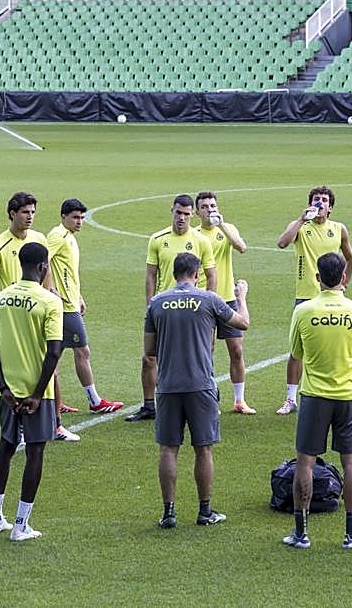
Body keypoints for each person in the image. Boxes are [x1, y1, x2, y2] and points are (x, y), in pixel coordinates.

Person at [143, 252, 249, 528]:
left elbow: (149, 351)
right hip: (201, 384)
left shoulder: (157, 303)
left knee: (168, 449)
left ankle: (169, 513)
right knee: (204, 449)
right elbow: (243, 323)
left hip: (168, 386)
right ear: (197, 274)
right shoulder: (209, 299)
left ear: (174, 273)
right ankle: (205, 511)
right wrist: (241, 297)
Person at [283, 252, 352, 550]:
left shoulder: (303, 311)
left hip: (314, 395)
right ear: (344, 277)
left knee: (305, 462)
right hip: (349, 395)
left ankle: (301, 533)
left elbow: (296, 353)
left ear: (317, 278)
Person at [0, 241, 64, 541]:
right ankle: (20, 524)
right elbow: (54, 351)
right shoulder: (49, 301)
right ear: (43, 267)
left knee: (5, 448)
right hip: (37, 393)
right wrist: (38, 394)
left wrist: (3, 388)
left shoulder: (1, 298)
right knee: (35, 452)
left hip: (9, 391)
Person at [0, 191, 75, 442]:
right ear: (12, 214)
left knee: (52, 369)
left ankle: (56, 424)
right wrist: (4, 310)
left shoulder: (39, 238)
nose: (30, 216)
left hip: (41, 312)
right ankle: (19, 425)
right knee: (19, 373)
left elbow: (47, 269)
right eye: (25, 212)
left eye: (33, 212)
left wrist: (51, 293)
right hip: (16, 317)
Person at [127, 194, 218, 422]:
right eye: (178, 213)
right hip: (164, 309)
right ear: (172, 210)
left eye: (186, 214)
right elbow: (151, 274)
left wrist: (209, 306)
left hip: (194, 310)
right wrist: (150, 305)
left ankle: (208, 401)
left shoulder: (201, 241)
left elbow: (211, 275)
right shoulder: (157, 239)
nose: (182, 218)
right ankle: (149, 406)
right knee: (149, 357)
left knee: (202, 356)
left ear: (193, 215)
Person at [274, 186, 352, 415]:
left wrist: (344, 284)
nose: (320, 203)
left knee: (332, 346)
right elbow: (282, 243)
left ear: (331, 207)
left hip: (332, 296)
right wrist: (301, 219)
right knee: (296, 350)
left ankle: (332, 392)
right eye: (316, 199)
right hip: (305, 296)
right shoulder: (301, 226)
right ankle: (291, 399)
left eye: (324, 200)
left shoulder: (339, 229)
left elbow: (350, 259)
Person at [47, 198, 123, 415]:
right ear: (63, 217)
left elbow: (67, 271)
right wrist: (50, 289)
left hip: (70, 303)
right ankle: (94, 401)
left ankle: (53, 401)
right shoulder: (58, 236)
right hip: (64, 308)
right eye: (75, 217)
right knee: (82, 350)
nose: (80, 221)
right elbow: (43, 261)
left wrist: (78, 296)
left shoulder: (69, 237)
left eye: (82, 217)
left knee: (54, 356)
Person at [195, 190, 253, 414]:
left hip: (228, 299)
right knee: (206, 351)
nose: (209, 210)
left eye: (212, 206)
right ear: (197, 212)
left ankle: (239, 400)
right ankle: (210, 400)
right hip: (204, 299)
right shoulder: (194, 235)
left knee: (236, 350)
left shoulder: (227, 229)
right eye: (204, 207)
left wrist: (221, 226)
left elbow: (241, 247)